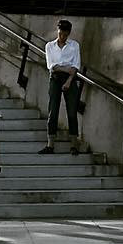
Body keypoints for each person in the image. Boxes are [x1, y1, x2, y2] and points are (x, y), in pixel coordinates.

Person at [40, 17, 83, 154]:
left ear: (68, 33)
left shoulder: (74, 45)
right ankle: (50, 144)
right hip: (55, 78)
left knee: (72, 112)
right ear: (57, 31)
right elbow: (51, 66)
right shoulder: (50, 46)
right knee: (53, 111)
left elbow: (76, 66)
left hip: (70, 79)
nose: (62, 37)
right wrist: (65, 69)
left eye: (65, 34)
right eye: (60, 33)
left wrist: (69, 80)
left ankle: (74, 145)